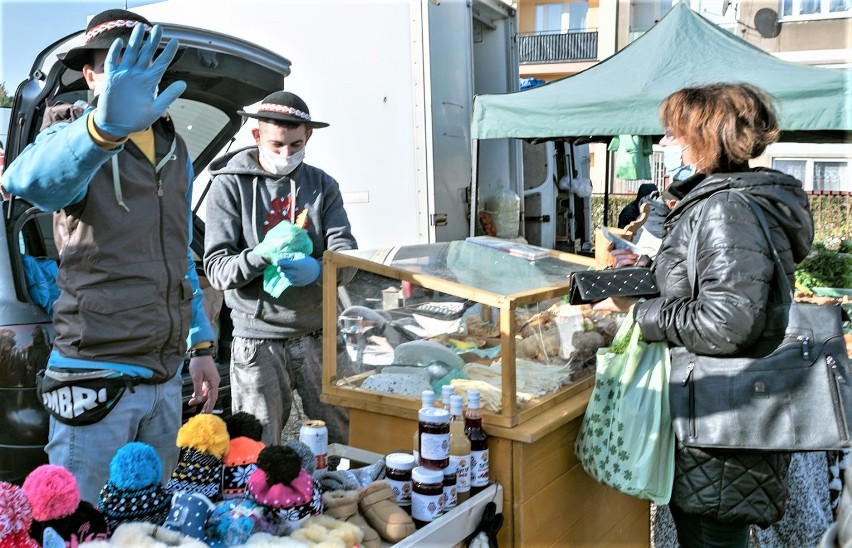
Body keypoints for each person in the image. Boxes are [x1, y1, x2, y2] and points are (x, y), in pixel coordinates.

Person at [0, 9, 219, 504]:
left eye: (145, 63)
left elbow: (179, 251)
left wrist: (201, 345)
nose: (132, 74)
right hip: (94, 376)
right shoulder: (67, 130)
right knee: (82, 521)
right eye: (115, 61)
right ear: (91, 74)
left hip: (165, 380)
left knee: (149, 519)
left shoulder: (175, 148)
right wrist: (103, 129)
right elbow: (24, 180)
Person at [600, 83, 813, 547]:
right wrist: (647, 274)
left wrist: (643, 315)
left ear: (707, 137)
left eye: (674, 134)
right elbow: (711, 285)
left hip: (719, 420)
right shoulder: (719, 199)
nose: (665, 144)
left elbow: (728, 322)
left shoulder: (726, 207)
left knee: (711, 537)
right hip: (714, 413)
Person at [203, 91, 357, 447]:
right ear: (256, 136)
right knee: (256, 449)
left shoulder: (322, 186)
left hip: (319, 335)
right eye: (277, 144)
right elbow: (217, 270)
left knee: (343, 442)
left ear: (309, 137)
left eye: (296, 144)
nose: (287, 154)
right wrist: (260, 255)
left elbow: (347, 256)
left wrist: (320, 270)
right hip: (257, 342)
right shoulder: (229, 185)